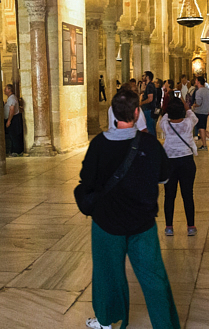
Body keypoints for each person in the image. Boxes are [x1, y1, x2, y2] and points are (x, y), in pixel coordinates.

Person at [79, 92, 181, 329]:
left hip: (106, 224)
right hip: (141, 224)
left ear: (113, 113)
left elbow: (86, 180)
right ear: (137, 113)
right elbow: (164, 178)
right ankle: (165, 325)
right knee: (154, 278)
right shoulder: (150, 145)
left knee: (106, 275)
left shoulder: (98, 144)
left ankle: (105, 321)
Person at [157, 96, 198, 236]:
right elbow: (193, 116)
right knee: (188, 195)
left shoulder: (165, 124)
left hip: (170, 162)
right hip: (186, 161)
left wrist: (170, 107)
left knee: (169, 195)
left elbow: (163, 118)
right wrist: (185, 106)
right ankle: (191, 226)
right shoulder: (188, 123)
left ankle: (169, 226)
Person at [6, 85, 25, 156]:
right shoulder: (11, 98)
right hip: (13, 118)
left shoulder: (12, 98)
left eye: (6, 89)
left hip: (13, 119)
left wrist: (9, 120)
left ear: (9, 90)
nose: (4, 90)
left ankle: (16, 151)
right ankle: (14, 150)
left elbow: (12, 110)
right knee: (13, 135)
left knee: (14, 135)